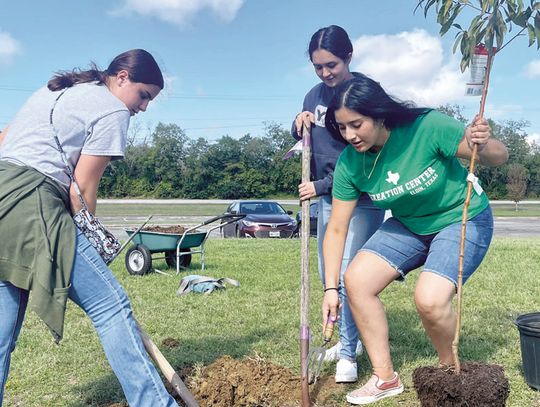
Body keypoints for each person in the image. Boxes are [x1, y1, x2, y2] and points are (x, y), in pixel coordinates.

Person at [0, 49, 178, 406]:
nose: (143, 107)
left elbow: (5, 138)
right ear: (122, 78)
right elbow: (81, 189)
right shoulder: (112, 109)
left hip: (3, 198)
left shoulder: (57, 90)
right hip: (34, 203)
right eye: (143, 95)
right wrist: (92, 240)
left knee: (2, 329)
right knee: (111, 306)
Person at [321, 75, 508, 405]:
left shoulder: (426, 127)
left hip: (461, 217)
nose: (349, 135)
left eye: (356, 124)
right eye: (342, 128)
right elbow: (336, 228)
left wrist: (483, 141)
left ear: (379, 114)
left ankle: (453, 376)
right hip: (409, 225)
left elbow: (497, 156)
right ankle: (385, 378)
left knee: (430, 300)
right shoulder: (350, 163)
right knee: (356, 280)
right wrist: (330, 289)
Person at [292, 25, 385, 383]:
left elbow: (369, 152)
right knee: (328, 275)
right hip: (327, 200)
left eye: (331, 64)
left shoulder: (364, 92)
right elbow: (307, 136)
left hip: (362, 198)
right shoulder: (313, 94)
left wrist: (321, 184)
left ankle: (348, 353)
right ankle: (350, 338)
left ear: (348, 56)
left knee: (349, 276)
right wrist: (297, 122)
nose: (325, 73)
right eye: (318, 67)